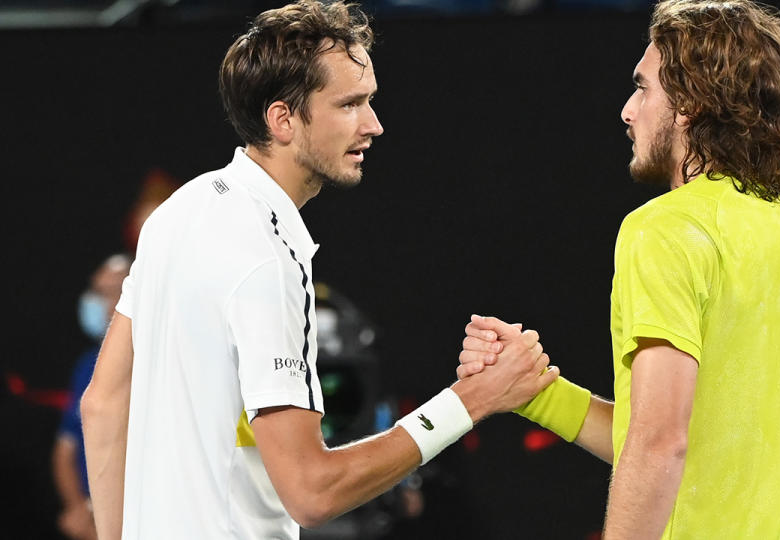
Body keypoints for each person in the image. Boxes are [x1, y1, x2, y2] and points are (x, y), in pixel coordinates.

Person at [79, 2, 556, 539]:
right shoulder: (267, 256)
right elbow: (312, 491)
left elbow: (102, 405)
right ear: (283, 119)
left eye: (369, 101)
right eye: (350, 105)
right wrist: (471, 401)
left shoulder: (179, 212)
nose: (373, 125)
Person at [459, 1, 780, 538]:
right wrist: (537, 392)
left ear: (688, 103)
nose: (627, 110)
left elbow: (660, 442)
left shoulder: (664, 229)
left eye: (643, 88)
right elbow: (691, 445)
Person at [52, 254, 131, 540]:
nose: (97, 302)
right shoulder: (86, 364)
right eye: (96, 291)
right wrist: (78, 508)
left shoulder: (151, 363)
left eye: (109, 292)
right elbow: (66, 446)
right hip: (93, 516)